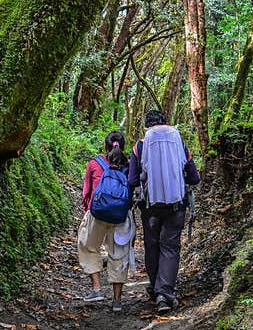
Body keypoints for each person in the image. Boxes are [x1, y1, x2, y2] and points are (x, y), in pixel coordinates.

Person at [128, 110, 200, 314]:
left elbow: (132, 180)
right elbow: (194, 177)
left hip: (150, 208)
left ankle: (155, 286)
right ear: (166, 123)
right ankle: (164, 294)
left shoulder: (139, 147)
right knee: (170, 247)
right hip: (176, 206)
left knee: (152, 245)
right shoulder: (179, 145)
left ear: (146, 126)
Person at [78, 130, 136, 313]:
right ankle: (117, 301)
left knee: (88, 246)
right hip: (120, 216)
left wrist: (88, 212)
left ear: (105, 146)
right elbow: (134, 187)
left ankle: (96, 289)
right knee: (118, 254)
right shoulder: (129, 165)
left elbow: (86, 193)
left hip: (98, 214)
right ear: (123, 146)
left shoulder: (95, 164)